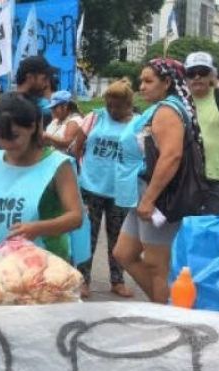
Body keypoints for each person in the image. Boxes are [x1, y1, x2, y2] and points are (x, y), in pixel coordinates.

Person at [113, 58, 195, 304]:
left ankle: (168, 316)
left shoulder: (168, 110)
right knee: (123, 253)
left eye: (149, 81)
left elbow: (171, 156)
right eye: (141, 80)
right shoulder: (162, 108)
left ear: (167, 82)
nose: (142, 86)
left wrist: (149, 199)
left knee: (157, 267)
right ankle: (167, 306)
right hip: (144, 193)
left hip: (158, 197)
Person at [0, 96, 84, 262]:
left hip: (43, 268)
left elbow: (75, 217)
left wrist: (39, 228)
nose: (8, 144)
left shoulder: (57, 165)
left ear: (32, 127)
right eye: (1, 137)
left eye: (15, 136)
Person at [75, 80, 137, 299]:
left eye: (118, 106)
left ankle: (117, 280)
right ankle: (83, 280)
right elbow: (77, 146)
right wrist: (85, 171)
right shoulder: (94, 117)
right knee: (87, 237)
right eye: (109, 105)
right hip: (91, 187)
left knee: (117, 239)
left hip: (120, 191)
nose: (112, 110)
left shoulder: (137, 124)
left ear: (129, 104)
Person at [184, 51, 219, 219]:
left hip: (218, 181)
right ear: (185, 77)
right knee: (188, 238)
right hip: (186, 181)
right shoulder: (181, 101)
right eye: (192, 73)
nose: (197, 77)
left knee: (216, 238)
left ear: (212, 75)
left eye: (203, 71)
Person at [0, 55, 54, 166]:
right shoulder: (8, 105)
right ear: (30, 77)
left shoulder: (30, 103)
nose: (46, 84)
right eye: (44, 79)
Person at [44, 90, 84, 155]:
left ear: (65, 106)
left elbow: (67, 143)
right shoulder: (57, 120)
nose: (52, 110)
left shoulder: (74, 121)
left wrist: (47, 136)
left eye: (54, 107)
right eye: (51, 108)